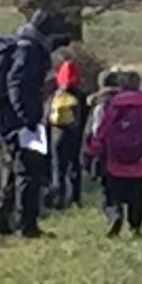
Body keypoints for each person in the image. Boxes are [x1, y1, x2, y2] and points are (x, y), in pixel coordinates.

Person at [0, 8, 73, 238]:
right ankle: (26, 226)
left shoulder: (26, 43)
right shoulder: (30, 51)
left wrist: (63, 40)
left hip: (6, 116)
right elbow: (17, 83)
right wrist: (28, 118)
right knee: (29, 170)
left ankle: (2, 212)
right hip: (21, 119)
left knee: (16, 165)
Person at [85, 68, 142, 238]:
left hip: (113, 161)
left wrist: (90, 152)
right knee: (137, 196)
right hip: (138, 161)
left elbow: (99, 132)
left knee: (111, 194)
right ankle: (135, 227)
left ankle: (115, 215)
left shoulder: (110, 106)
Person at [46, 59, 89, 210]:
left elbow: (47, 117)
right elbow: (84, 117)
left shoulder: (54, 95)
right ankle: (75, 199)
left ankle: (58, 200)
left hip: (56, 135)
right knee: (74, 166)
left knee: (58, 167)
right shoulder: (80, 95)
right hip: (75, 135)